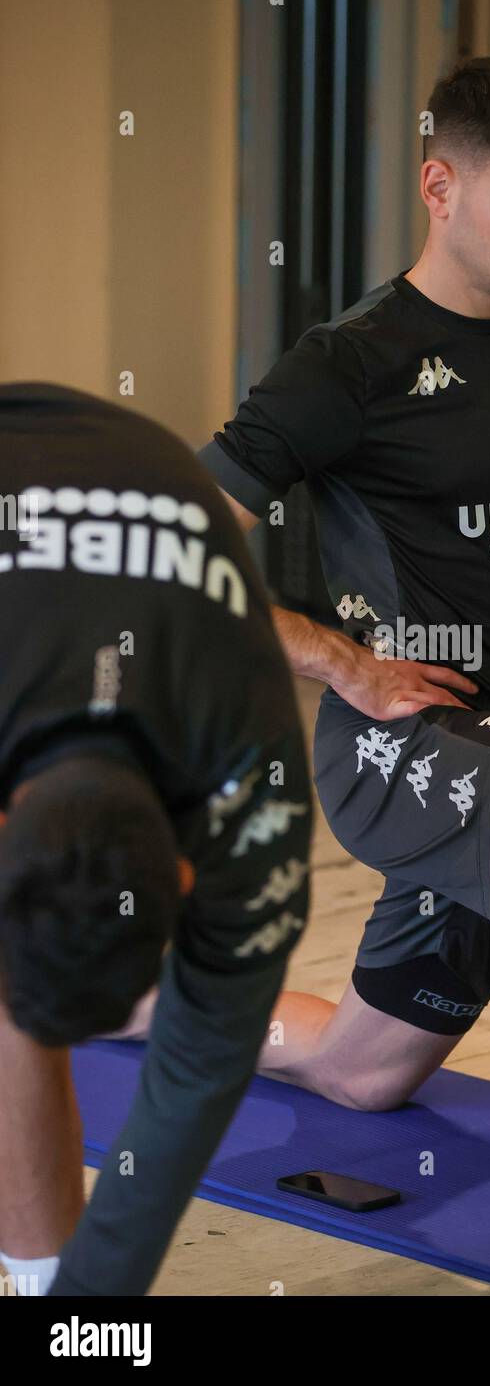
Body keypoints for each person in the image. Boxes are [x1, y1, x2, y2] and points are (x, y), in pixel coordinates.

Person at [149, 52, 490, 1272]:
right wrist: (339, 665)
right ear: (439, 185)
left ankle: (123, 991)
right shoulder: (349, 362)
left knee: (362, 1075)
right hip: (405, 750)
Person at [0, 383, 313, 1296]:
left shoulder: (254, 781)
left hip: (143, 500)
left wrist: (87, 1324)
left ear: (186, 876)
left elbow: (196, 1071)